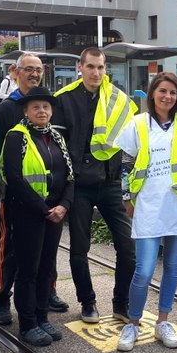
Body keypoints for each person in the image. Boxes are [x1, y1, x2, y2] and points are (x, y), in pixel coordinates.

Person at [114, 73, 177, 352]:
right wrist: (127, 197)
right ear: (153, 93)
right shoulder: (138, 124)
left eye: (173, 93)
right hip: (149, 205)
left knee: (173, 267)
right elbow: (126, 163)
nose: (168, 97)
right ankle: (133, 322)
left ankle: (163, 321)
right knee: (144, 270)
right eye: (163, 91)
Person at [53, 47, 137, 324]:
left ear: (106, 68)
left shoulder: (119, 100)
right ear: (80, 67)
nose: (96, 73)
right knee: (79, 248)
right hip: (79, 185)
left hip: (110, 181)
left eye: (100, 68)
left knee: (127, 246)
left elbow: (130, 146)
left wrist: (128, 186)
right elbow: (58, 147)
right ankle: (87, 302)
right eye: (90, 67)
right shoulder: (63, 100)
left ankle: (120, 303)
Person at [0, 52, 69, 324]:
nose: (34, 74)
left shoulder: (49, 113)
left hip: (48, 202)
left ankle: (46, 295)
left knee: (45, 254)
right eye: (29, 69)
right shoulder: (4, 111)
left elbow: (63, 165)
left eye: (38, 70)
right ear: (15, 71)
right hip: (16, 199)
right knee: (11, 249)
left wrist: (60, 202)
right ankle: (2, 298)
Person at [0, 87, 74, 346]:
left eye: (46, 107)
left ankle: (43, 317)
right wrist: (45, 210)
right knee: (28, 270)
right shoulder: (16, 137)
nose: (42, 111)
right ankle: (28, 323)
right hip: (28, 214)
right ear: (25, 111)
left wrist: (63, 205)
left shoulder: (56, 137)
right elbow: (15, 179)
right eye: (36, 108)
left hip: (54, 214)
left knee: (46, 269)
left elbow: (69, 176)